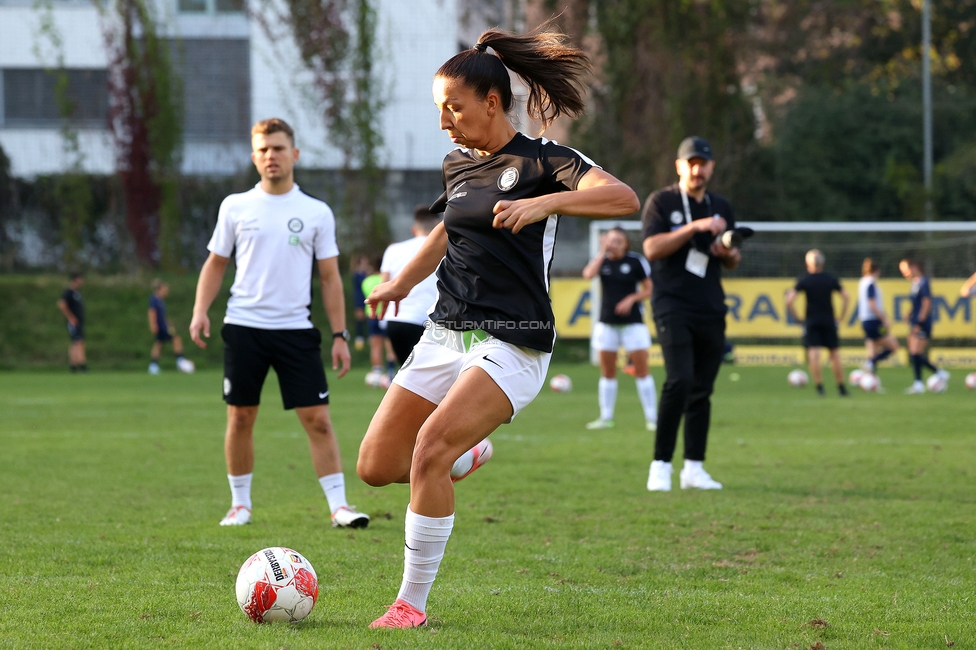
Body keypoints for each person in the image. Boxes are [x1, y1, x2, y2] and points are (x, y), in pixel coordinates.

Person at [356, 24, 639, 629]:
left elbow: (624, 199)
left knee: (428, 451)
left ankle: (411, 604)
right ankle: (470, 449)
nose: (444, 122)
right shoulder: (457, 164)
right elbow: (448, 229)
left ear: (491, 102)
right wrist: (401, 283)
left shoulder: (547, 161)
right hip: (445, 331)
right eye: (440, 109)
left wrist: (547, 202)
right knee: (376, 467)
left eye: (452, 108)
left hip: (514, 339)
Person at [189, 118, 368, 529]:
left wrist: (340, 336)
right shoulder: (235, 206)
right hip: (244, 326)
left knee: (318, 420)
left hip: (296, 331)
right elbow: (216, 264)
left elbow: (329, 278)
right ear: (255, 157)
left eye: (279, 148)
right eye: (264, 149)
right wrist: (201, 310)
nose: (272, 156)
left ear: (295, 154)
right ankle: (240, 505)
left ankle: (340, 507)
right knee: (240, 417)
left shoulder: (315, 212)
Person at [641, 136, 738, 492]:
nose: (698, 170)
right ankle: (661, 464)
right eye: (691, 163)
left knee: (702, 389)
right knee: (679, 380)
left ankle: (694, 468)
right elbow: (651, 248)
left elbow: (732, 259)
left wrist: (724, 250)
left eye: (704, 163)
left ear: (711, 167)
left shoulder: (721, 206)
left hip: (711, 304)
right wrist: (694, 228)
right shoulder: (662, 201)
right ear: (679, 166)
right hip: (672, 304)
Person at [582, 227, 656, 430]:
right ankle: (606, 417)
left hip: (634, 324)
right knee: (607, 372)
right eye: (610, 239)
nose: (613, 243)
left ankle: (653, 419)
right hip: (607, 324)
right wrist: (601, 253)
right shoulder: (602, 260)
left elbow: (649, 289)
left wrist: (632, 298)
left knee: (642, 370)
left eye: (617, 240)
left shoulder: (635, 261)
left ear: (625, 244)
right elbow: (588, 274)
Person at [380, 206, 442, 364]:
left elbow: (384, 286)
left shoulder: (393, 250)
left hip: (396, 320)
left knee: (407, 376)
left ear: (414, 229)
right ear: (438, 228)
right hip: (427, 321)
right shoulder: (446, 251)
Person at [785, 250, 850, 396]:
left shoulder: (805, 279)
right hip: (828, 320)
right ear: (823, 263)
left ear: (808, 263)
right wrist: (841, 317)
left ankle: (820, 388)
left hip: (812, 321)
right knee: (834, 354)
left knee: (814, 354)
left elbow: (789, 300)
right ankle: (841, 388)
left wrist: (797, 319)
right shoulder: (830, 278)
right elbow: (846, 297)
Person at [899, 258, 949, 393]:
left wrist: (919, 322)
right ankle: (933, 376)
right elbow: (917, 304)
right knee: (914, 353)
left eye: (905, 270)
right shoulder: (915, 283)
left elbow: (927, 303)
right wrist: (909, 314)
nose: (904, 273)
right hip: (915, 322)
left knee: (915, 352)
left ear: (914, 267)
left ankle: (923, 382)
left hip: (922, 323)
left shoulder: (924, 282)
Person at [858, 258, 899, 374]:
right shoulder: (871, 283)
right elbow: (872, 304)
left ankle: (871, 381)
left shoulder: (863, 282)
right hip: (873, 320)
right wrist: (884, 318)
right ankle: (869, 363)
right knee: (894, 346)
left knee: (873, 351)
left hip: (865, 320)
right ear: (877, 270)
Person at [147, 279, 194, 375]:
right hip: (161, 327)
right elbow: (152, 313)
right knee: (176, 339)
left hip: (164, 325)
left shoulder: (160, 300)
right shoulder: (154, 299)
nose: (166, 291)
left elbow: (161, 315)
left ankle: (153, 366)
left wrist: (168, 322)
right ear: (160, 289)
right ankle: (180, 361)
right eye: (165, 288)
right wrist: (153, 325)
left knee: (159, 344)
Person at [56, 271, 87, 373]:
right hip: (74, 322)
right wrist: (70, 317)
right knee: (78, 343)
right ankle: (82, 366)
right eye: (80, 279)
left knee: (76, 343)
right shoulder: (68, 292)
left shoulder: (76, 293)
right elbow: (61, 304)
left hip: (79, 321)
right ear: (75, 280)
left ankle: (73, 366)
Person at [350, 254, 372, 350]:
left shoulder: (367, 273)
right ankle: (359, 338)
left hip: (367, 296)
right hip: (359, 298)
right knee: (360, 318)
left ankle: (369, 337)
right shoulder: (357, 274)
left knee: (369, 317)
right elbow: (362, 282)